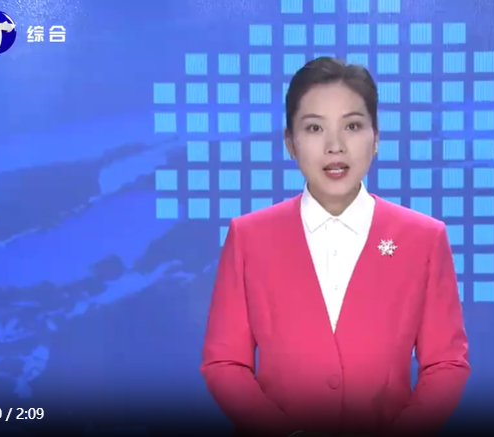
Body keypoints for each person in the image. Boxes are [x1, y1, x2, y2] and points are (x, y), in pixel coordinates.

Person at [200, 57, 470, 437]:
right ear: (290, 143)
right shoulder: (249, 237)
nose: (335, 146)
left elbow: (446, 364)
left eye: (352, 126)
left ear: (376, 138)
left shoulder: (424, 239)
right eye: (314, 128)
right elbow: (225, 363)